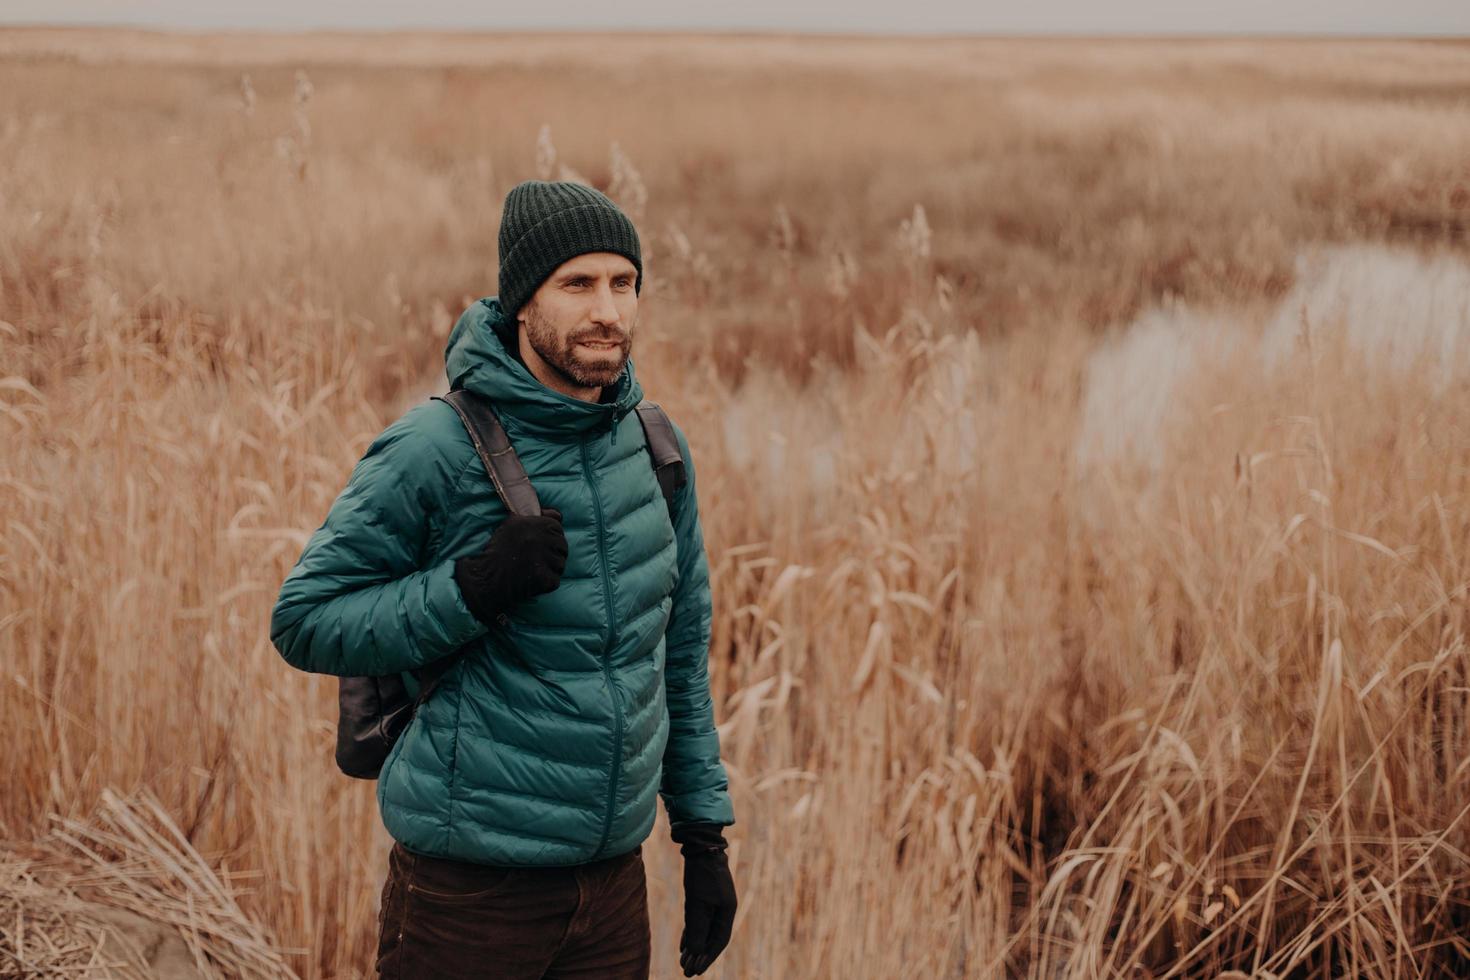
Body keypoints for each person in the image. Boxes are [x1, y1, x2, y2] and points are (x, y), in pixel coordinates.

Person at [269, 180, 738, 979]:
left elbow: (679, 655)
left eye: (623, 283)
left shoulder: (656, 448)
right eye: (578, 284)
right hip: (469, 896)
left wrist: (702, 834)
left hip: (612, 891)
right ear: (523, 301)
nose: (608, 311)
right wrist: (472, 589)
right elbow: (306, 619)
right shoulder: (436, 446)